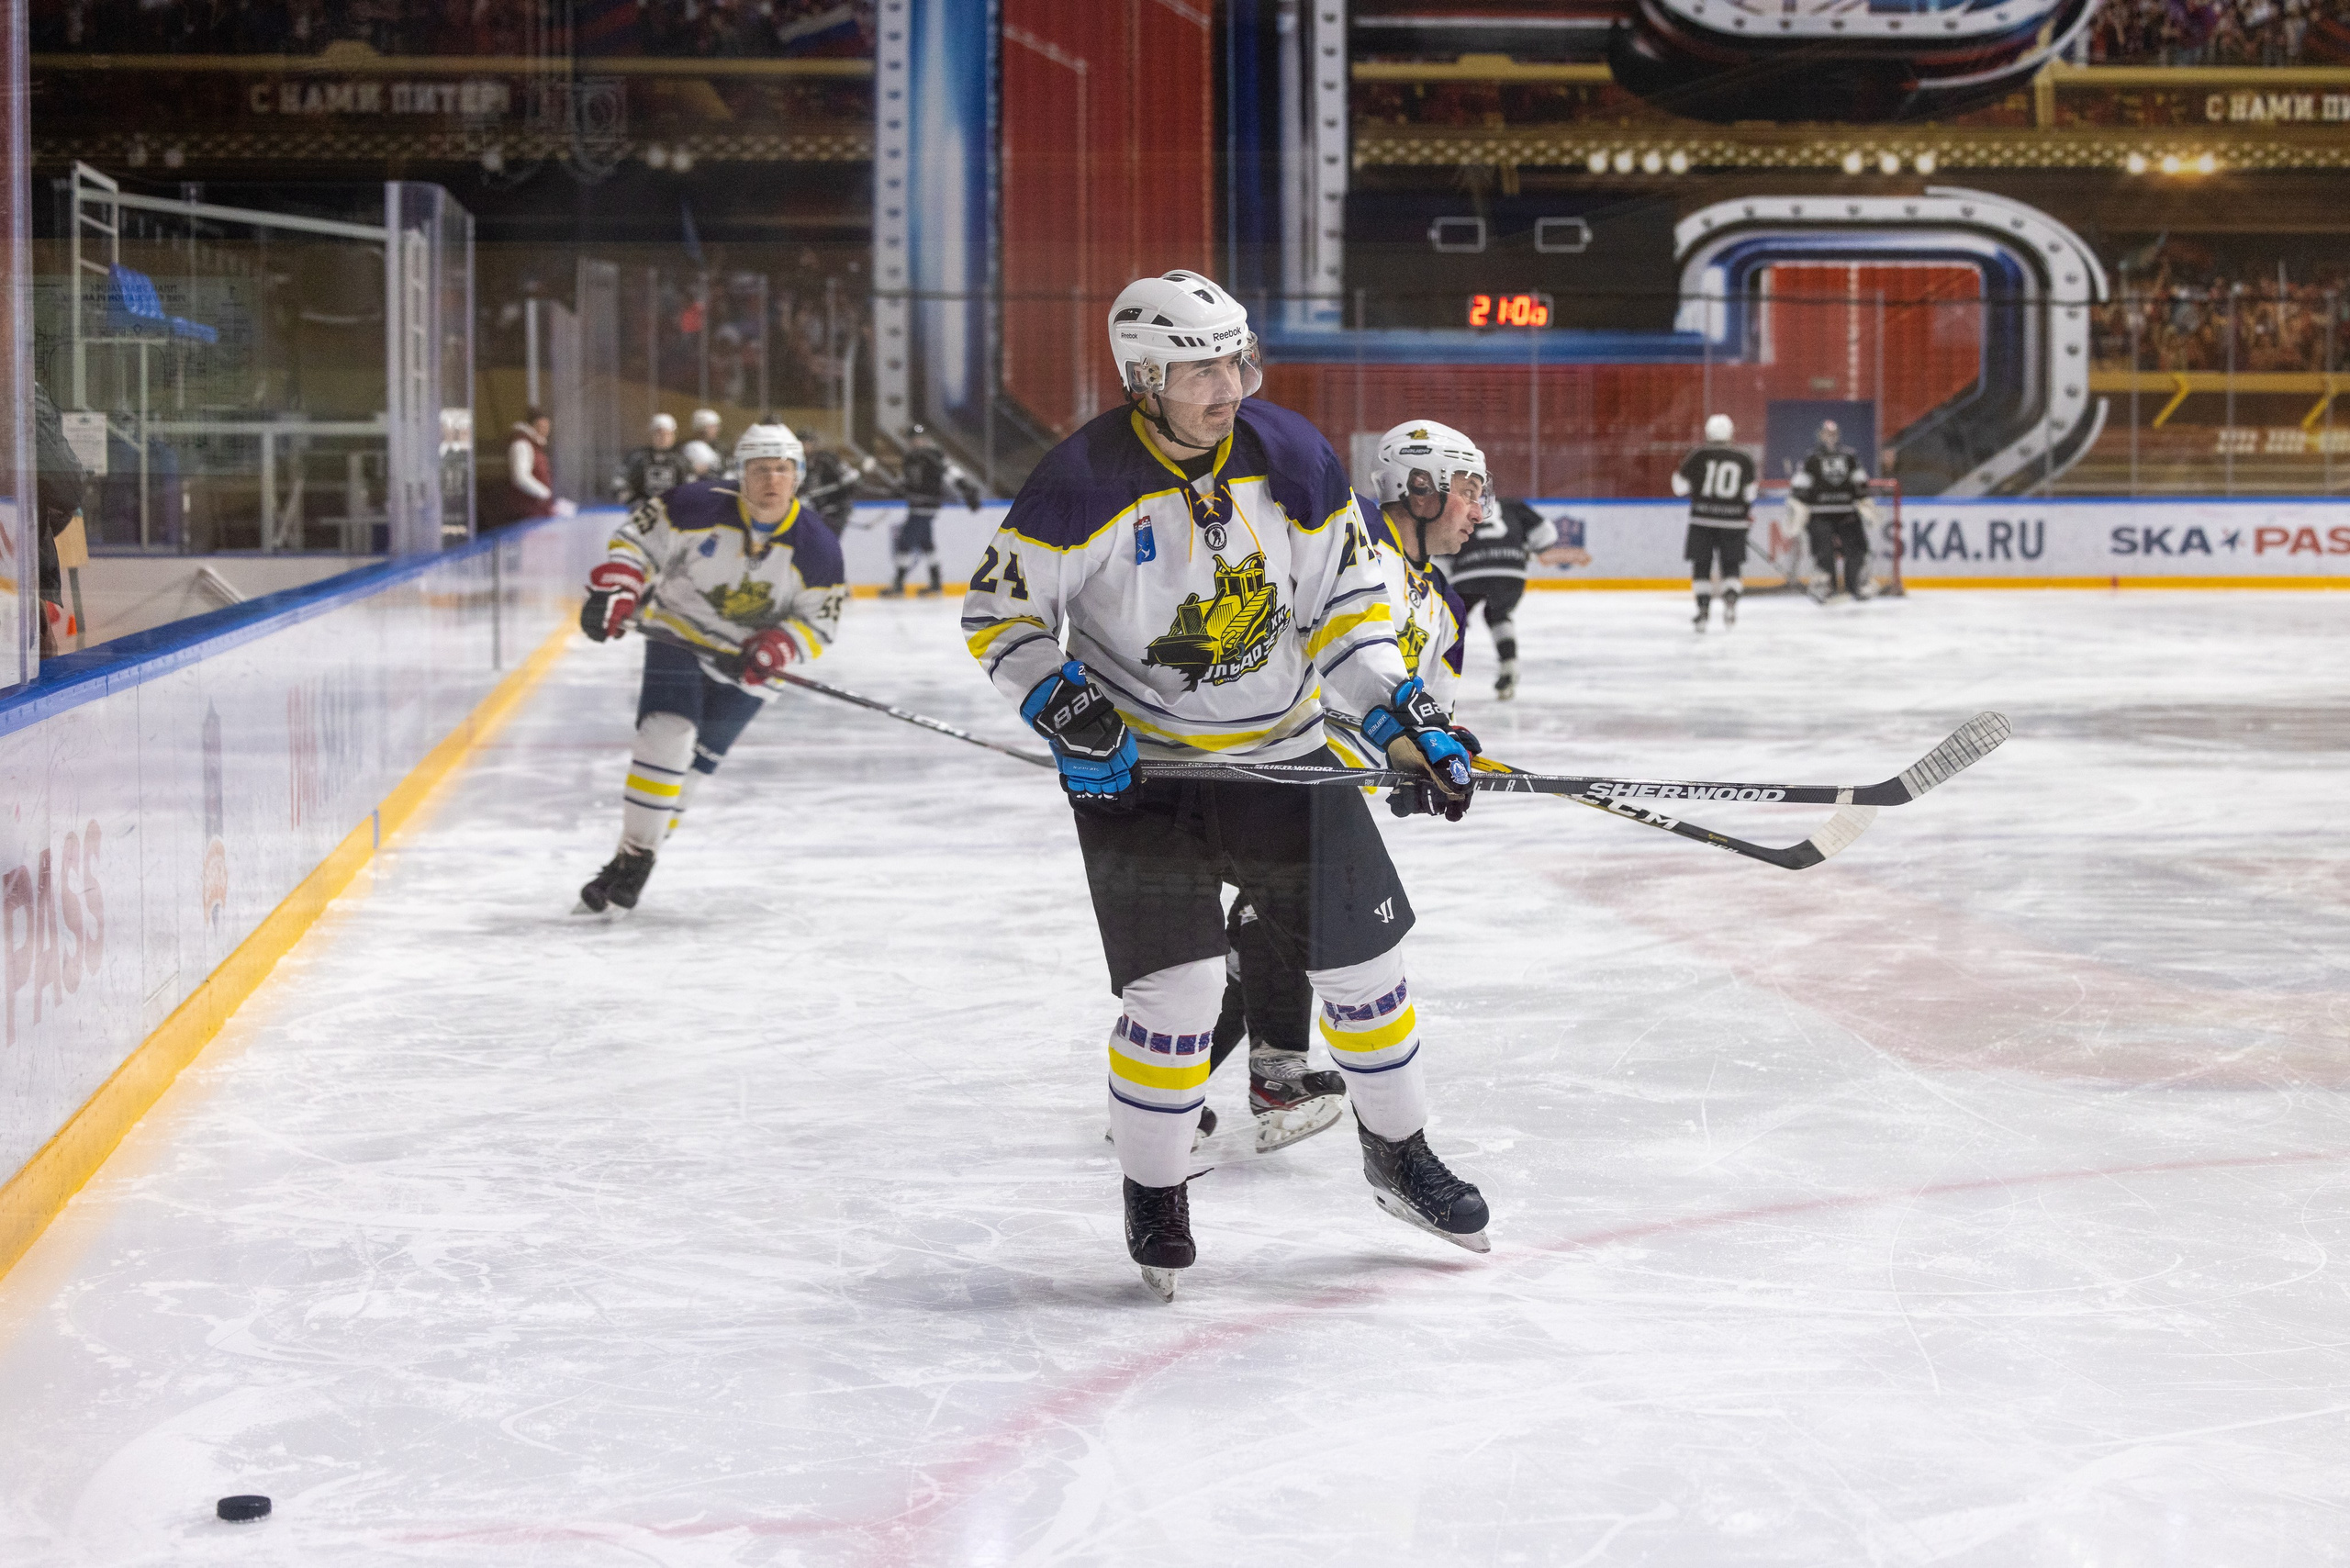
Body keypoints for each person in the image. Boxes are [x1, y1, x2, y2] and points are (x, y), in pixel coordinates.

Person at [961, 269, 1491, 1301]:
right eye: (1202, 367)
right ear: (1144, 375)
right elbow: (1002, 620)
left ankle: (1398, 1152)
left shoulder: (1291, 453)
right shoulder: (1080, 480)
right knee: (1180, 992)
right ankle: (1154, 1191)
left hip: (1285, 752)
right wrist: (1066, 708)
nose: (1228, 386)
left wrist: (1398, 712)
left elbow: (1342, 602)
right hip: (1141, 773)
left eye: (1235, 360)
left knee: (1368, 971)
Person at [1207, 419, 1489, 1155]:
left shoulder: (1447, 615)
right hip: (1265, 754)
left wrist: (1432, 767)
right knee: (1274, 919)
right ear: (1416, 488)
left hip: (1334, 783)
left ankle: (1174, 1087)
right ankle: (1276, 1077)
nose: (1478, 510)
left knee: (1262, 930)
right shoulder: (1350, 533)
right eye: (1467, 490)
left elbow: (1424, 715)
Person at [573, 423, 847, 913]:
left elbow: (820, 623)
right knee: (667, 735)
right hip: (679, 636)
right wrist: (619, 585)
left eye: (782, 469)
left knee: (692, 770)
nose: (771, 480)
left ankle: (626, 860)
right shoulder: (692, 505)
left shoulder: (818, 547)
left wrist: (779, 648)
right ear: (740, 474)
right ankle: (637, 858)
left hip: (750, 665)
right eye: (760, 469)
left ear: (798, 476)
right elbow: (636, 542)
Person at [1439, 492, 1589, 699]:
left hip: (1469, 571)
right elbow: (1547, 535)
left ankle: (1435, 672)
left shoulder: (1457, 507)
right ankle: (1509, 667)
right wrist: (1528, 550)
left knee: (1451, 618)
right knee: (1497, 615)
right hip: (1511, 570)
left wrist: (1447, 589)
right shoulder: (1513, 505)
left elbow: (1441, 555)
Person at [1673, 414, 1760, 632]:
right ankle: (1730, 602)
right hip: (1734, 523)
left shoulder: (1698, 455)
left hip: (1702, 521)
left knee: (1701, 566)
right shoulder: (1744, 457)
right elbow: (1750, 494)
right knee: (1731, 566)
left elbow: (1679, 488)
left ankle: (1703, 611)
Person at [883, 424, 981, 597]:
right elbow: (906, 479)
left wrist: (966, 488)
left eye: (919, 438)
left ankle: (898, 585)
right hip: (917, 505)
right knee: (926, 544)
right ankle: (936, 584)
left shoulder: (933, 455)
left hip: (926, 505)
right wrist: (898, 488)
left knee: (906, 542)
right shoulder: (911, 458)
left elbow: (950, 471)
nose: (917, 442)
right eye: (913, 439)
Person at [1790, 420, 1871, 599]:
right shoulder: (1811, 458)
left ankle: (1854, 586)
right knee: (1823, 552)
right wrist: (1800, 508)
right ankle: (1829, 587)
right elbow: (1800, 488)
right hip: (1820, 513)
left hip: (1847, 512)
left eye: (1833, 434)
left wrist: (1865, 501)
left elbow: (1860, 483)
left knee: (1856, 550)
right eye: (1827, 434)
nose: (1830, 438)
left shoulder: (1850, 456)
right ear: (1820, 435)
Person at [613, 412, 691, 505]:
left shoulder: (681, 459)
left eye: (667, 434)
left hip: (672, 509)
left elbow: (690, 486)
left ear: (673, 435)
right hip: (643, 507)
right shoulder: (637, 457)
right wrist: (627, 495)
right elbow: (619, 479)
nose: (663, 438)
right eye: (659, 434)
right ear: (651, 434)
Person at [506, 407, 556, 525]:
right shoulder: (522, 444)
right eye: (543, 426)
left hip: (537, 509)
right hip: (527, 510)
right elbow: (520, 477)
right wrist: (543, 493)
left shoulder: (536, 445)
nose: (546, 430)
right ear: (535, 425)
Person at [798, 443, 863, 536]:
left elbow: (851, 476)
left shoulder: (826, 458)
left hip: (836, 505)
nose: (804, 446)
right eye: (801, 443)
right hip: (816, 508)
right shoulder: (796, 461)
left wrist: (848, 479)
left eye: (806, 442)